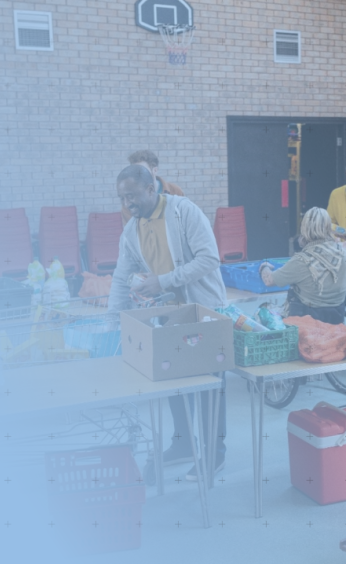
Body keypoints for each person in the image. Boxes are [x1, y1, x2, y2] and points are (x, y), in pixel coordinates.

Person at [108, 164, 227, 483]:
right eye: (122, 198)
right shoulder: (132, 229)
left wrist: (163, 281)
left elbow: (209, 259)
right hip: (170, 314)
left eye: (132, 195)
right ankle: (184, 444)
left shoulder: (183, 212)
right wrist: (112, 318)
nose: (127, 203)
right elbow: (121, 275)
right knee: (173, 382)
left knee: (208, 386)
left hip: (204, 310)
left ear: (151, 189)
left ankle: (215, 453)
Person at [260, 207, 346, 324]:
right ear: (328, 227)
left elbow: (269, 281)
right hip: (336, 324)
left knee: (264, 311)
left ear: (304, 228)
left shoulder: (301, 261)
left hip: (307, 329)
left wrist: (264, 267)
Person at [121, 150, 185, 226]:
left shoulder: (175, 191)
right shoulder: (129, 200)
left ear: (155, 170)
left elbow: (184, 223)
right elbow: (131, 233)